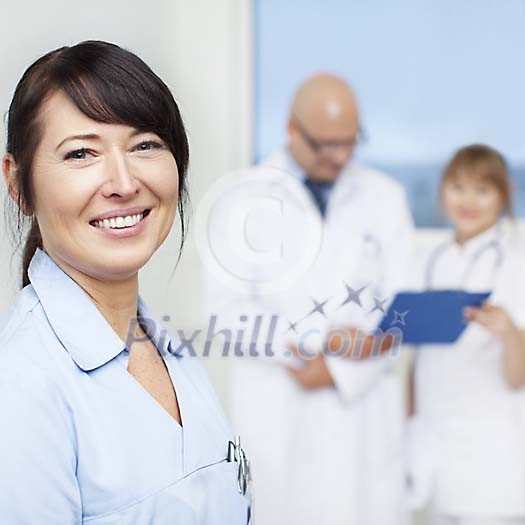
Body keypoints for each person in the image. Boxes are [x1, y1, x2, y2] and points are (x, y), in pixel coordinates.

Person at [0, 41, 251, 524]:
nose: (122, 182)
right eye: (81, 154)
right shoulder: (21, 388)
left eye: (145, 146)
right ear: (18, 183)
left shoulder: (170, 348)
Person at [203, 74, 414, 525]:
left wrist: (341, 370)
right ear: (291, 129)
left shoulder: (385, 198)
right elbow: (224, 314)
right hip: (279, 406)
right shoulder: (243, 198)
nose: (339, 157)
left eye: (349, 143)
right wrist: (323, 342)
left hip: (363, 419)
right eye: (324, 145)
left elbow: (402, 312)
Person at [407, 145, 525, 524]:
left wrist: (509, 333)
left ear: (504, 196)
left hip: (490, 454)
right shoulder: (430, 259)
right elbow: (418, 357)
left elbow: (518, 377)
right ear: (442, 192)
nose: (468, 201)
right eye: (457, 187)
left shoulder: (515, 262)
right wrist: (408, 427)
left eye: (482, 190)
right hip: (432, 448)